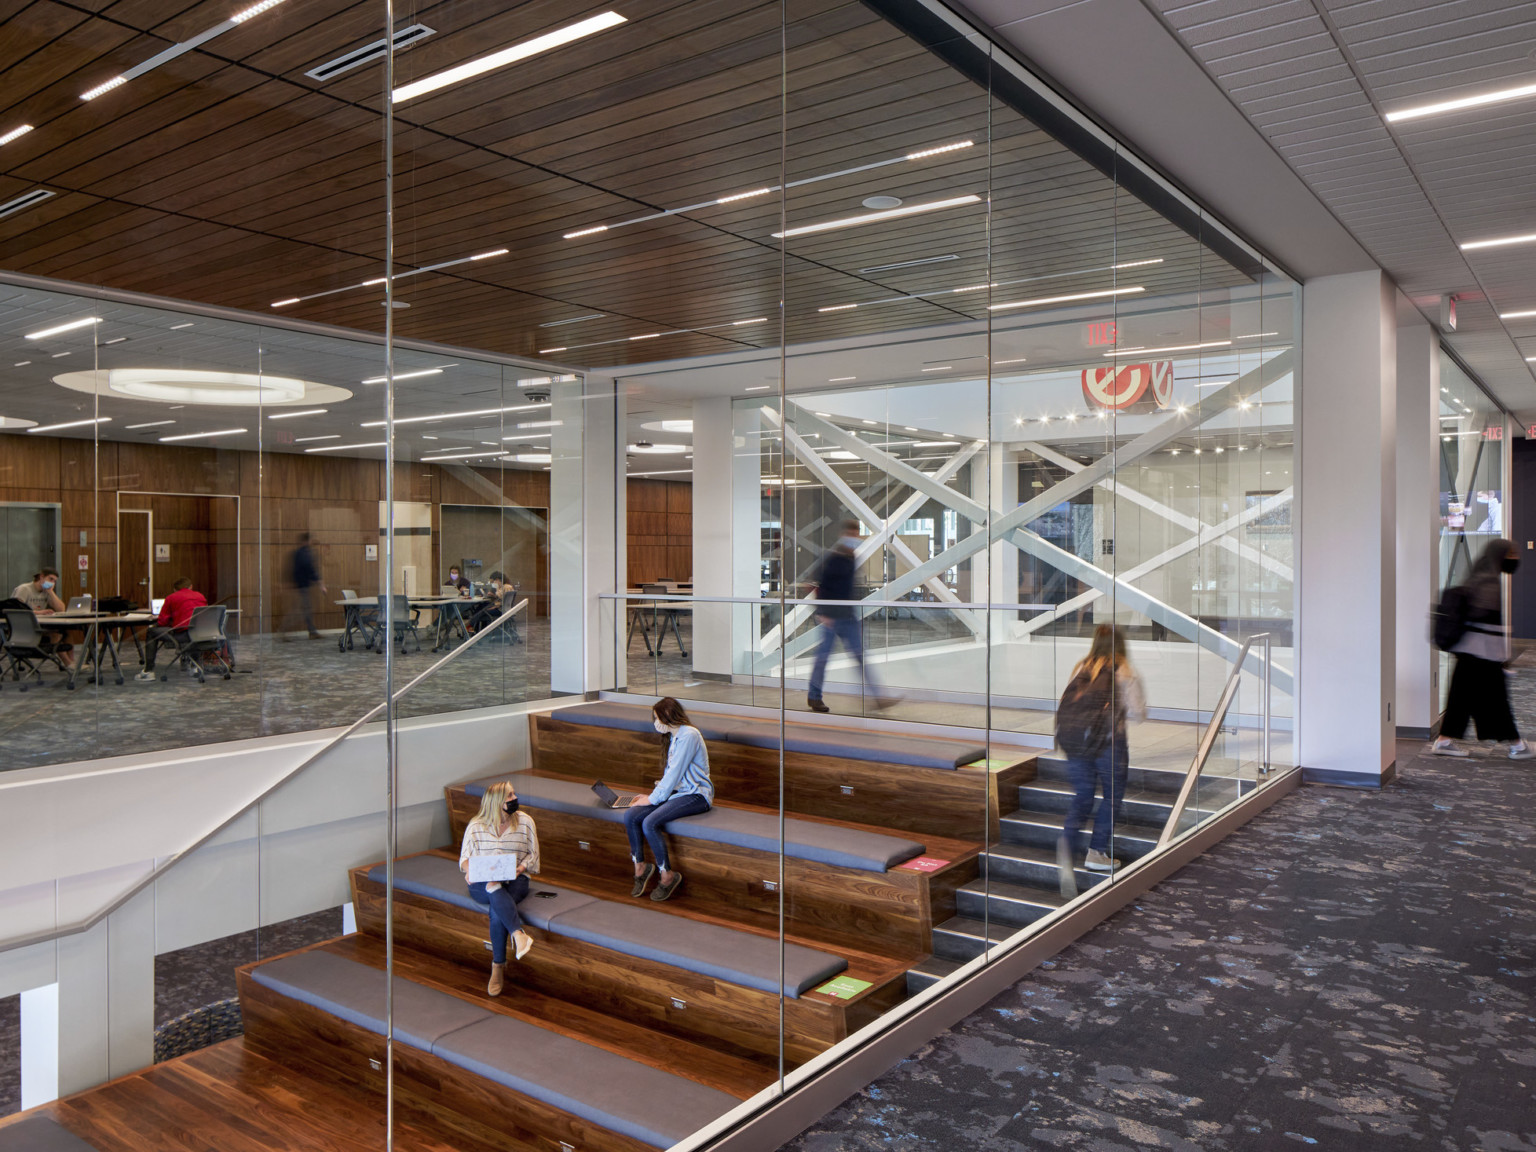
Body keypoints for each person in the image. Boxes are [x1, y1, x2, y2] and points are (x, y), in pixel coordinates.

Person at [1057, 624, 1145, 888]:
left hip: (1076, 744)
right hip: (1109, 744)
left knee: (1083, 795)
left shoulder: (1081, 667)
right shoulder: (1124, 670)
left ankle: (1068, 843)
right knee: (1111, 796)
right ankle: (1096, 853)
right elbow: (1138, 712)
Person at [1432, 538, 1532, 760]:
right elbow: (1487, 624)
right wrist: (1502, 657)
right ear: (1500, 556)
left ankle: (1444, 740)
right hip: (1482, 653)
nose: (1515, 559)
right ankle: (1517, 745)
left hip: (1470, 651)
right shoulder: (1489, 582)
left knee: (1461, 697)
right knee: (1496, 700)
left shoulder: (1479, 575)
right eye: (1512, 555)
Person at [625, 697, 713, 902]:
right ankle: (640, 867)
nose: (655, 723)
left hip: (697, 795)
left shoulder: (689, 735)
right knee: (631, 815)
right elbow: (671, 776)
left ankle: (667, 876)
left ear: (667, 716)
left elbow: (674, 774)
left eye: (657, 718)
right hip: (678, 793)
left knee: (650, 822)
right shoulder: (674, 737)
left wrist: (652, 799)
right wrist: (652, 795)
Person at [459, 780, 540, 995]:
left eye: (514, 794)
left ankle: (497, 966)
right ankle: (518, 934)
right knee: (492, 886)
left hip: (515, 880)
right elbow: (465, 858)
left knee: (497, 910)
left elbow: (533, 855)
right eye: (509, 796)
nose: (515, 798)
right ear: (496, 802)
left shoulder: (525, 821)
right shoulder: (476, 825)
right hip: (482, 881)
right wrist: (470, 870)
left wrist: (519, 869)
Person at [805, 520, 888, 713]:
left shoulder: (851, 558)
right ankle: (814, 697)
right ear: (845, 535)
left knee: (860, 656)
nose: (854, 538)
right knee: (823, 658)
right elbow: (814, 584)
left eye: (856, 534)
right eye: (852, 534)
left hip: (848, 617)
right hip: (832, 618)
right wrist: (822, 612)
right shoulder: (833, 558)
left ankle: (878, 697)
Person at [135, 576, 207, 681]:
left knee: (151, 632)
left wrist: (171, 623)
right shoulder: (200, 596)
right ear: (191, 587)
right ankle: (195, 667)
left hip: (183, 635)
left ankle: (148, 671)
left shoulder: (171, 598)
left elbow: (162, 621)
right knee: (193, 632)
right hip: (201, 633)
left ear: (174, 589)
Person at [11, 568, 73, 667]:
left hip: (39, 626)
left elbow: (61, 609)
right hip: (24, 628)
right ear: (42, 577)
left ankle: (73, 663)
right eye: (50, 579)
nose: (52, 583)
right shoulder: (24, 589)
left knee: (67, 632)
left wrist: (51, 592)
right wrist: (40, 612)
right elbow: (16, 610)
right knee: (55, 633)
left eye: (54, 581)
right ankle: (68, 663)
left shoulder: (46, 592)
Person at [288, 533, 324, 640]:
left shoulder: (299, 553)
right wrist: (320, 582)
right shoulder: (304, 553)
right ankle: (283, 630)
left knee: (304, 609)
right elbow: (310, 569)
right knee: (301, 610)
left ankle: (311, 630)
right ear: (306, 541)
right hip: (302, 586)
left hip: (301, 585)